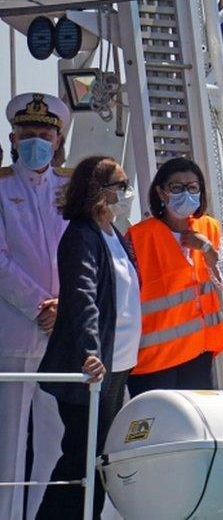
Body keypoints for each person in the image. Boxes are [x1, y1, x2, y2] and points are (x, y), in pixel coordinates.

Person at [36, 155, 139, 519]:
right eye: (120, 186)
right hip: (93, 369)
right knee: (81, 455)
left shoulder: (117, 236)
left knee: (98, 459)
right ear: (99, 191)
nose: (127, 194)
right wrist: (90, 353)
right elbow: (83, 297)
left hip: (119, 366)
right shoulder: (81, 235)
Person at [0, 93, 71, 520]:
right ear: (13, 137)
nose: (37, 141)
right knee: (8, 442)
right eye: (28, 134)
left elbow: (87, 255)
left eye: (44, 134)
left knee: (56, 441)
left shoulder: (73, 191)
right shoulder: (2, 188)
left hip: (64, 335)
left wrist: (66, 308)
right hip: (14, 331)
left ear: (59, 138)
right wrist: (40, 305)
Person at [125, 157, 223, 396]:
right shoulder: (138, 237)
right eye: (177, 187)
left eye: (193, 187)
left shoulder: (209, 228)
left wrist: (207, 249)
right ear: (161, 193)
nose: (186, 193)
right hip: (153, 359)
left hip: (198, 354)